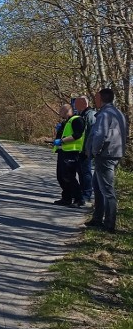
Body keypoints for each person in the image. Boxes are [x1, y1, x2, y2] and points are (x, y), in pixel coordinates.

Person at [85, 88, 129, 232]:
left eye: (96, 98)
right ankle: (97, 218)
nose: (95, 100)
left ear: (101, 99)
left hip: (105, 156)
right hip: (115, 153)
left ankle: (109, 224)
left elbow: (99, 135)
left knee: (107, 190)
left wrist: (94, 151)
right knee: (97, 186)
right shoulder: (119, 113)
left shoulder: (104, 114)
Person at [52, 103, 85, 207]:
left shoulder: (77, 120)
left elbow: (77, 135)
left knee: (69, 176)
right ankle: (66, 198)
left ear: (66, 111)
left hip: (71, 152)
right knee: (61, 177)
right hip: (63, 152)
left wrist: (62, 141)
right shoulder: (66, 122)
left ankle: (79, 199)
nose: (59, 113)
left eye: (61, 111)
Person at [74, 96, 97, 204]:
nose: (75, 105)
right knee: (81, 172)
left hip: (86, 149)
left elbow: (91, 133)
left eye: (78, 103)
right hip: (79, 149)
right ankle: (82, 193)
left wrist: (89, 148)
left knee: (86, 172)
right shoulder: (81, 114)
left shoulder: (91, 115)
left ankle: (87, 194)